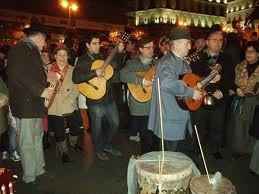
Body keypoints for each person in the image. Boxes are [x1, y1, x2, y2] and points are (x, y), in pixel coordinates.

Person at [148, 27, 202, 152]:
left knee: (180, 159)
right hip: (169, 121)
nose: (190, 47)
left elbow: (187, 81)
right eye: (187, 43)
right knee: (170, 162)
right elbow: (166, 83)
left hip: (180, 118)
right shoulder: (167, 62)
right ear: (176, 43)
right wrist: (191, 92)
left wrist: (198, 85)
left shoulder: (183, 63)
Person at [7, 25, 48, 183]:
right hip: (26, 104)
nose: (44, 43)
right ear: (39, 37)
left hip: (34, 103)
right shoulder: (20, 49)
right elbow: (19, 74)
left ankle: (39, 167)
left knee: (37, 137)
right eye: (44, 39)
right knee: (26, 141)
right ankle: (30, 174)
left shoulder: (30, 49)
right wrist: (40, 90)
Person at [72, 33, 123, 161]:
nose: (98, 46)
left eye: (98, 43)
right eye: (94, 43)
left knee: (115, 123)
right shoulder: (83, 60)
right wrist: (94, 73)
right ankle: (99, 149)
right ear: (88, 45)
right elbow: (76, 78)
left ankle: (106, 144)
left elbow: (116, 68)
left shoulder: (102, 56)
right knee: (97, 127)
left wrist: (120, 53)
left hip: (108, 97)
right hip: (94, 99)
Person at [190, 25, 231, 159]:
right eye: (215, 39)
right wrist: (206, 82)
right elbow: (191, 78)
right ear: (207, 41)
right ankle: (197, 149)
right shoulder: (196, 57)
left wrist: (222, 90)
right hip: (201, 97)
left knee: (217, 126)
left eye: (220, 40)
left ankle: (215, 149)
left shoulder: (227, 58)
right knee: (199, 126)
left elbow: (230, 78)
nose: (218, 42)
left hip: (218, 99)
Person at [47, 46, 80, 163]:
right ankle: (64, 152)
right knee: (59, 131)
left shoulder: (73, 69)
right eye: (59, 55)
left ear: (68, 57)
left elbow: (77, 87)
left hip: (69, 103)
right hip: (54, 105)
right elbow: (45, 88)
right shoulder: (49, 69)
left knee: (75, 128)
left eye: (65, 55)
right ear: (55, 56)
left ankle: (73, 143)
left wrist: (71, 99)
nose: (62, 57)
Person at [228, 41, 259, 158]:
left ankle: (251, 150)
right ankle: (238, 149)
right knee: (238, 126)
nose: (248, 54)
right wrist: (236, 89)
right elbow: (231, 81)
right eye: (247, 51)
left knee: (252, 125)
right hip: (240, 100)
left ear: (258, 54)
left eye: (252, 51)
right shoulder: (240, 66)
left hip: (255, 101)